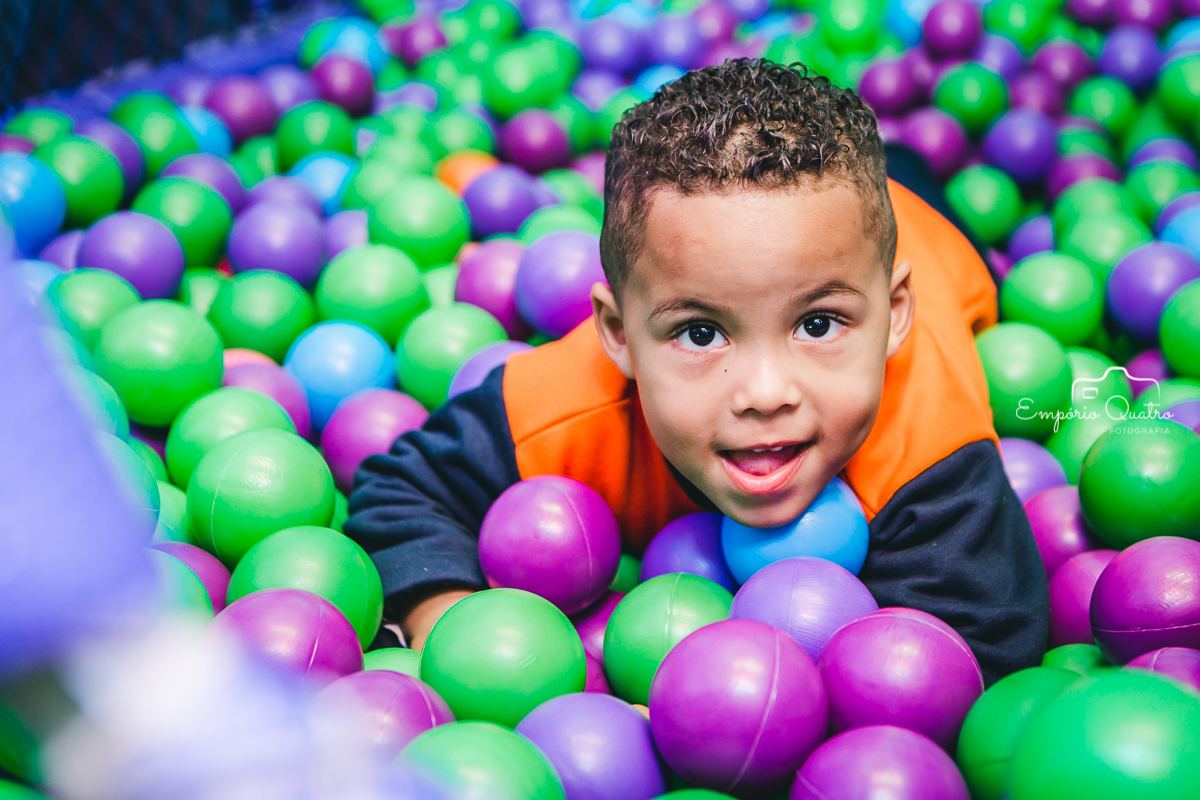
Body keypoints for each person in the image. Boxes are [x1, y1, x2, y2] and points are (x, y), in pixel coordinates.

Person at [346, 59, 1048, 684]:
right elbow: (401, 490)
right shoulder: (573, 404)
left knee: (919, 195)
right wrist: (456, 636)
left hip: (934, 233)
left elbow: (982, 647)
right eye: (701, 332)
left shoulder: (930, 459)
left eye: (818, 324)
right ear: (618, 335)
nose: (767, 394)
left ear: (894, 314)